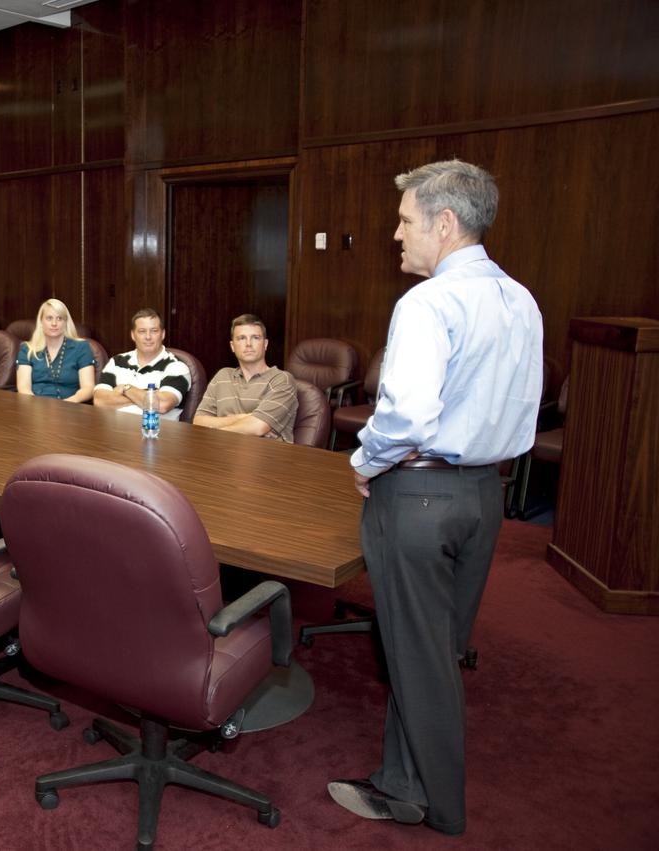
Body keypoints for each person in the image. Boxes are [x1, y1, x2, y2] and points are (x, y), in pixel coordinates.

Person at [327, 160, 542, 836]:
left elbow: (408, 417)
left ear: (444, 224)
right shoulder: (521, 298)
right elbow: (525, 412)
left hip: (419, 493)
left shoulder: (427, 303)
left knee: (417, 654)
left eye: (405, 220)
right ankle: (404, 778)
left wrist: (366, 460)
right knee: (438, 647)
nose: (396, 234)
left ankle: (433, 803)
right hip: (486, 493)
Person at [193, 313, 298, 441]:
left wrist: (215, 429)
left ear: (265, 344)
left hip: (267, 457)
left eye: (255, 338)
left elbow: (258, 427)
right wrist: (243, 419)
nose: (248, 344)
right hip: (222, 453)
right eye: (241, 338)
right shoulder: (222, 376)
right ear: (232, 346)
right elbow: (198, 422)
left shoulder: (281, 379)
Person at [92, 308, 191, 419]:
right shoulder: (116, 362)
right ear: (133, 335)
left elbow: (161, 405)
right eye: (142, 331)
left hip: (155, 433)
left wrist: (126, 388)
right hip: (114, 433)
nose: (148, 337)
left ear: (162, 334)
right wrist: (149, 395)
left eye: (154, 331)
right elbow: (99, 401)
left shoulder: (177, 367)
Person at [15, 298, 95, 402]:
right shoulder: (27, 349)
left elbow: (88, 388)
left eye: (59, 318)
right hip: (36, 407)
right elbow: (23, 388)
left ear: (66, 322)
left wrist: (68, 403)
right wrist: (35, 408)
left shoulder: (81, 347)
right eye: (49, 318)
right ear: (41, 322)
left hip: (70, 407)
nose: (54, 323)